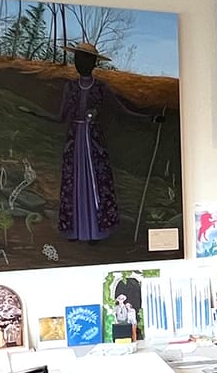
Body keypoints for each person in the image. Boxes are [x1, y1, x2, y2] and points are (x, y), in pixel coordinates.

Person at [59, 41, 164, 243]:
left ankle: (96, 230)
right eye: (78, 59)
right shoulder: (70, 87)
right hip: (75, 143)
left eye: (85, 59)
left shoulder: (101, 88)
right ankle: (75, 228)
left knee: (97, 182)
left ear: (93, 63)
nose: (80, 63)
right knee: (74, 182)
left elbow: (122, 111)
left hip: (94, 143)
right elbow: (61, 116)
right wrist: (31, 113)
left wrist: (150, 118)